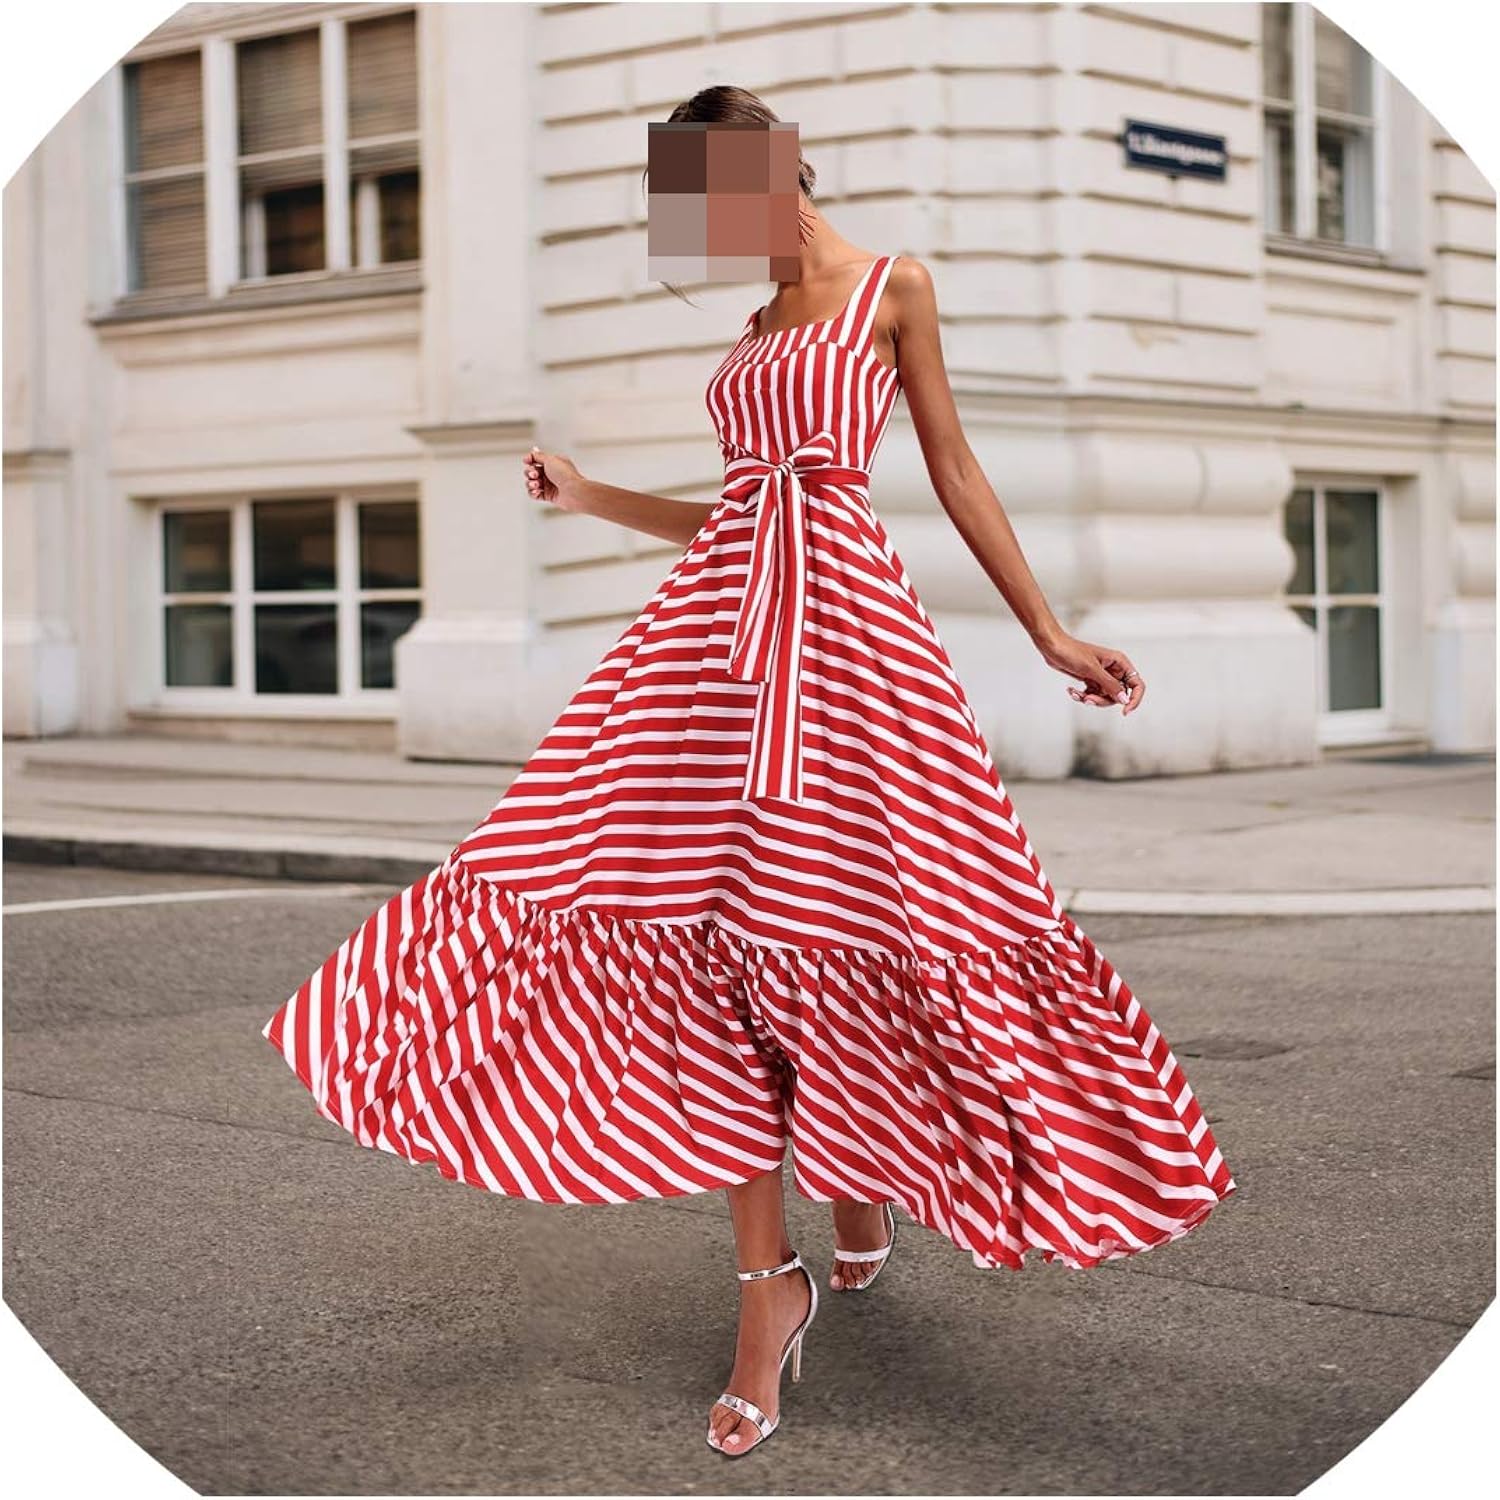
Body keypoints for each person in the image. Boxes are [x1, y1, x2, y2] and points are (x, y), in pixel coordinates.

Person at [262, 84, 1236, 1463]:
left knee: (862, 919)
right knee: (691, 925)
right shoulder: (755, 329)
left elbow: (954, 469)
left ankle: (859, 1177)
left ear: (776, 174)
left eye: (714, 202)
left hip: (851, 652)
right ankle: (767, 1286)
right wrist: (589, 496)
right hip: (713, 658)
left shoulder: (893, 287)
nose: (708, 237)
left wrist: (1050, 632)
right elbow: (735, 518)